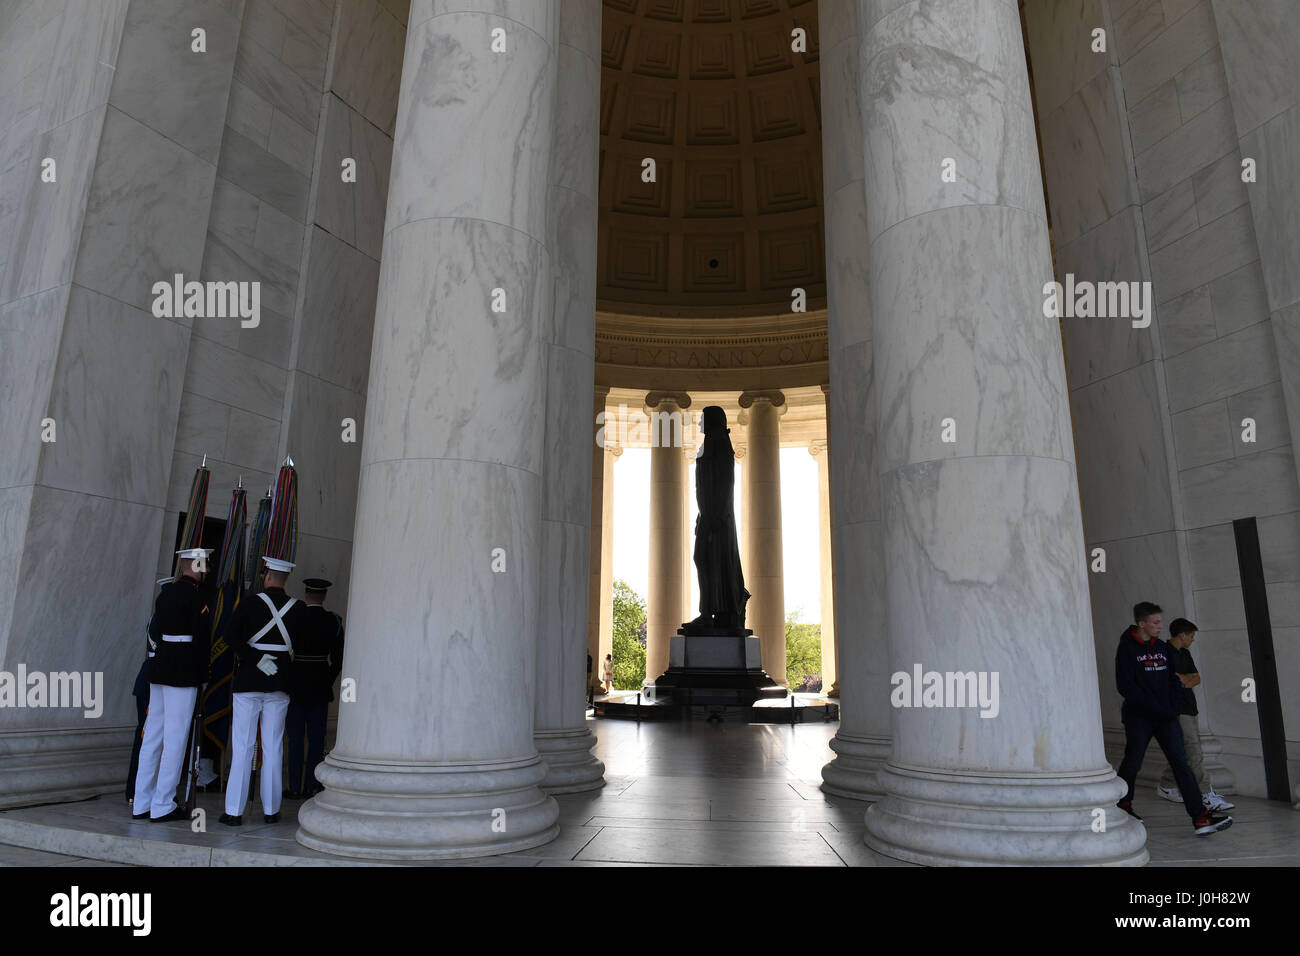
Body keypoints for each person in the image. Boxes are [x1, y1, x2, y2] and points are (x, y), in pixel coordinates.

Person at [1114, 602, 1232, 835]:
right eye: (1155, 623)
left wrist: (1172, 706)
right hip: (1140, 717)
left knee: (1182, 764)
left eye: (1160, 622)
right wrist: (1154, 707)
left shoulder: (1161, 647)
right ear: (1141, 624)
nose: (1160, 627)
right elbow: (1126, 686)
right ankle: (1122, 805)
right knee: (1133, 762)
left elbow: (1173, 680)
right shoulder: (1127, 649)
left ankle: (1200, 818)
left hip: (1166, 717)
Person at [220, 555, 303, 826]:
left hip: (248, 682)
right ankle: (271, 810)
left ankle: (234, 811)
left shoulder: (250, 603)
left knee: (243, 746)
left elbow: (230, 637)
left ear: (267, 577)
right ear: (285, 579)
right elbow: (301, 648)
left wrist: (255, 658)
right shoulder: (298, 608)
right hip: (280, 683)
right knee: (273, 745)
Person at [132, 554, 211, 822]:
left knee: (153, 734)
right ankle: (163, 803)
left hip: (160, 667)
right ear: (197, 567)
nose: (207, 570)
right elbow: (202, 640)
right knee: (175, 738)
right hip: (183, 670)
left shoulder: (165, 595)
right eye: (205, 565)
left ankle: (141, 802)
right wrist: (203, 675)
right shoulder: (197, 597)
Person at [1155, 618, 1235, 812]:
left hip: (1190, 708)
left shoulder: (1185, 653)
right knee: (1194, 751)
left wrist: (1183, 680)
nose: (1192, 640)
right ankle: (1204, 793)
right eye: (1191, 636)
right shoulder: (1163, 653)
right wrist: (1183, 680)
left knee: (1182, 751)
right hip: (1176, 708)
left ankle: (1167, 785)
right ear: (1183, 635)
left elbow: (1196, 678)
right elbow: (1169, 681)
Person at [284, 577, 344, 799]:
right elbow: (338, 660)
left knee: (296, 738)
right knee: (317, 738)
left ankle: (294, 787)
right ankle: (312, 784)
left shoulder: (294, 618)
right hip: (319, 684)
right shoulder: (333, 621)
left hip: (296, 684)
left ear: (306, 595)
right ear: (324, 596)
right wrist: (326, 679)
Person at [126, 578, 168, 807]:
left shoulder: (158, 618)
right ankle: (137, 790)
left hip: (150, 679)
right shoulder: (161, 620)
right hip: (152, 681)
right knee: (146, 738)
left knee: (147, 737)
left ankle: (139, 791)